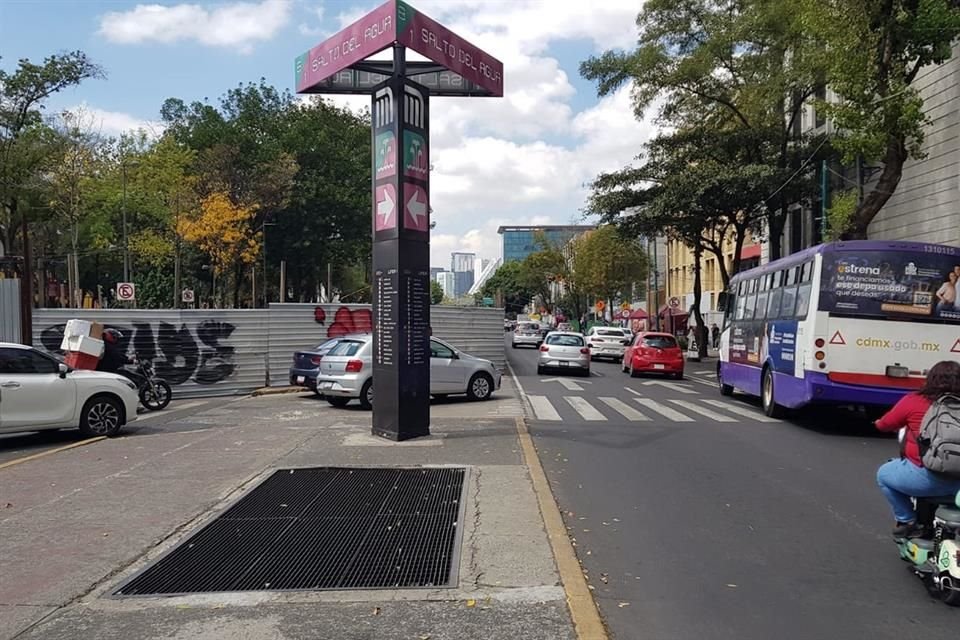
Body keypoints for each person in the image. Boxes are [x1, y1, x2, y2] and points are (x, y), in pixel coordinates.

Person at [875, 360, 960, 537]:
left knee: (884, 474)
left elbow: (885, 424)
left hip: (927, 480)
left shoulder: (914, 401)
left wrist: (877, 423)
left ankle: (907, 520)